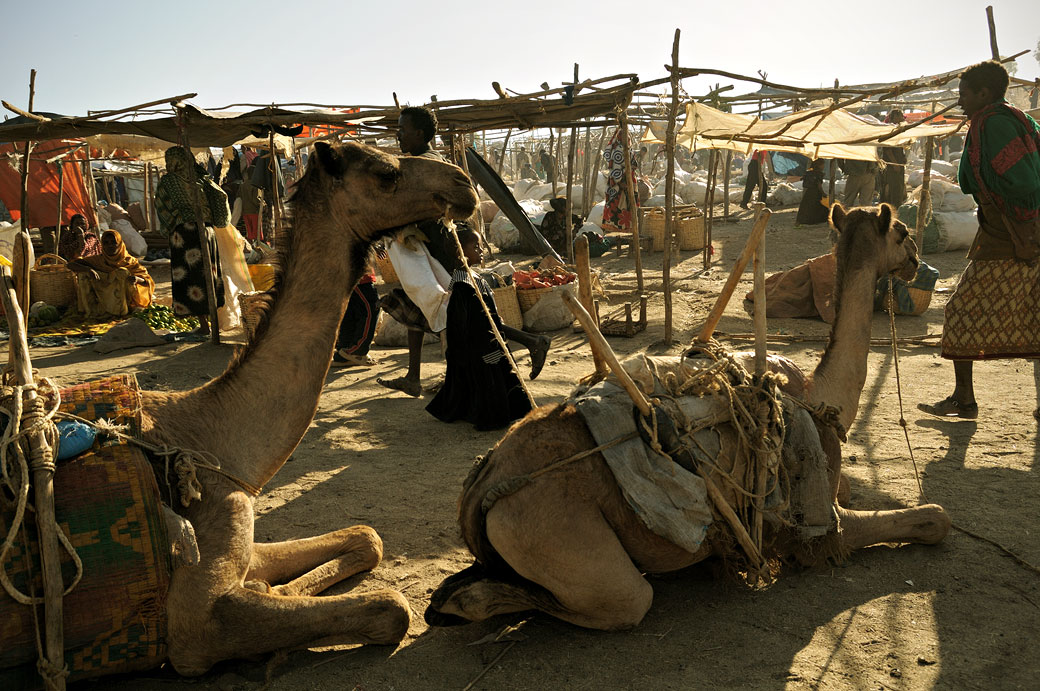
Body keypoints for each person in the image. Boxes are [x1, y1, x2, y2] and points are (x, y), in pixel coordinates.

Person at [919, 60, 1040, 421]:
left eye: (964, 94)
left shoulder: (996, 123)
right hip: (1010, 233)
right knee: (1035, 313)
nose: (960, 101)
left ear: (984, 93)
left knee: (960, 310)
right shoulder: (1008, 118)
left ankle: (964, 400)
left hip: (1010, 237)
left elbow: (1024, 181)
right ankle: (964, 398)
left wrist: (1014, 211)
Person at [377, 106, 461, 397]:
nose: (398, 135)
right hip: (426, 249)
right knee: (415, 306)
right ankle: (414, 377)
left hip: (439, 252)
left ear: (420, 133)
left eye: (403, 130)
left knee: (456, 313)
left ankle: (528, 342)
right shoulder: (426, 161)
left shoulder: (423, 166)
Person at [426, 225, 544, 430]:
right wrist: (486, 352)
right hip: (480, 349)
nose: (481, 251)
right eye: (476, 247)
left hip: (488, 344)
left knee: (501, 382)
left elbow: (489, 320)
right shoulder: (464, 288)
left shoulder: (475, 278)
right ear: (460, 252)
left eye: (481, 246)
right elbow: (467, 327)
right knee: (490, 388)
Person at [154, 146, 228, 336]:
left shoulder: (169, 181)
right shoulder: (201, 178)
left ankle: (204, 326)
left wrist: (169, 227)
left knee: (191, 278)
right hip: (207, 231)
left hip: (185, 233)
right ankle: (214, 324)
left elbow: (162, 206)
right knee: (208, 276)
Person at [67, 229, 154, 318]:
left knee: (122, 272)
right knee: (83, 275)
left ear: (119, 244)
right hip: (103, 300)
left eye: (113, 242)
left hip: (125, 302)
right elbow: (70, 265)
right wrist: (88, 269)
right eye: (106, 243)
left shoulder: (129, 261)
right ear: (102, 245)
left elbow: (147, 280)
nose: (110, 246)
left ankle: (123, 310)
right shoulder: (98, 260)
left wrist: (136, 279)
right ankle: (92, 311)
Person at [331, 259, 381, 367]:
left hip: (349, 271)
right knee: (371, 308)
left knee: (351, 312)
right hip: (356, 272)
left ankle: (344, 354)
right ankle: (356, 351)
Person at [879, 109, 909, 207]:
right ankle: (893, 208)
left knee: (899, 186)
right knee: (894, 188)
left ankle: (895, 206)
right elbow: (888, 150)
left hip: (898, 164)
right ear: (895, 117)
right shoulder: (889, 130)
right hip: (892, 165)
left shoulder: (898, 129)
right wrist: (895, 163)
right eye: (900, 116)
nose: (901, 118)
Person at [796, 159, 830, 226]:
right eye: (822, 164)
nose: (823, 166)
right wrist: (823, 193)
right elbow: (819, 185)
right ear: (819, 165)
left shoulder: (809, 173)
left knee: (805, 207)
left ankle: (798, 222)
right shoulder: (819, 174)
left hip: (808, 192)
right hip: (816, 192)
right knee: (820, 207)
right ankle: (826, 220)